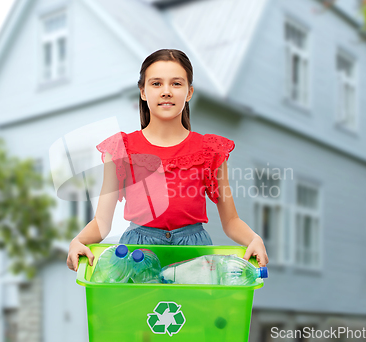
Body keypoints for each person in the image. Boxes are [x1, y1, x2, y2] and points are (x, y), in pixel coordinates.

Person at [67, 49, 268, 272]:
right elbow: (102, 222)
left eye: (176, 83)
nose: (166, 92)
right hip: (137, 255)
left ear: (189, 92)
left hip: (194, 257)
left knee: (191, 308)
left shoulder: (210, 151)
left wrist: (254, 239)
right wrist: (79, 241)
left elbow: (231, 221)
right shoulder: (119, 149)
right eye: (156, 84)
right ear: (143, 92)